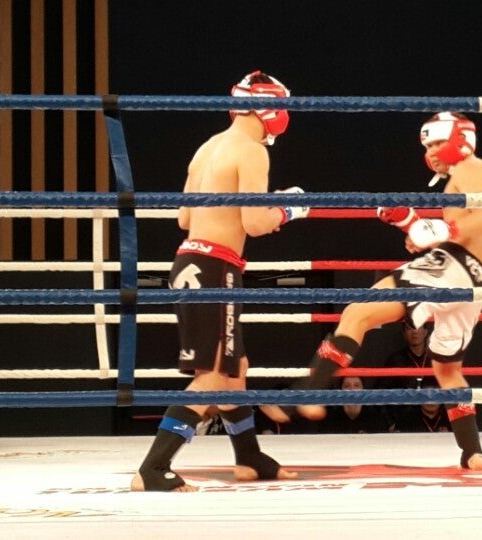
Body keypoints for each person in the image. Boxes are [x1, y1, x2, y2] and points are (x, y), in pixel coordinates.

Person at [292, 112, 482, 470]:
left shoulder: (470, 168)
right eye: (428, 145)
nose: (431, 151)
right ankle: (473, 453)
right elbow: (464, 231)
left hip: (454, 267)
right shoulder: (466, 176)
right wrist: (411, 222)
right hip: (476, 280)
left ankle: (312, 390)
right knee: (447, 370)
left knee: (358, 312)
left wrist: (438, 230)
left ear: (460, 140)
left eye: (438, 142)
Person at [131, 71, 306, 492]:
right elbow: (255, 222)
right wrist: (289, 208)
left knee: (234, 369)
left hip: (188, 260)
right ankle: (153, 468)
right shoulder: (252, 151)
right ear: (271, 108)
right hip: (216, 269)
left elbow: (184, 218)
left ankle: (249, 457)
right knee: (212, 375)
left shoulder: (207, 147)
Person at [321, 376, 393, 434]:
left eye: (357, 386)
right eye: (347, 386)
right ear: (340, 391)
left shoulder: (377, 420)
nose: (352, 390)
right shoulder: (330, 420)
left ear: (363, 390)